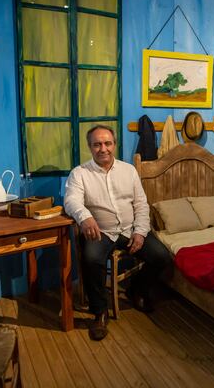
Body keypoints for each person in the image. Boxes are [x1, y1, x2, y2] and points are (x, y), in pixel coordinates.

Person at [64, 125, 172, 341]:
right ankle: (99, 312)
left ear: (114, 144)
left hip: (130, 229)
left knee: (161, 257)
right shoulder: (80, 173)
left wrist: (140, 233)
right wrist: (84, 217)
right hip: (101, 231)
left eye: (107, 143)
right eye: (97, 144)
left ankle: (136, 289)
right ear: (90, 147)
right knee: (92, 258)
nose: (103, 149)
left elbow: (142, 204)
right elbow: (70, 200)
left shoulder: (129, 170)